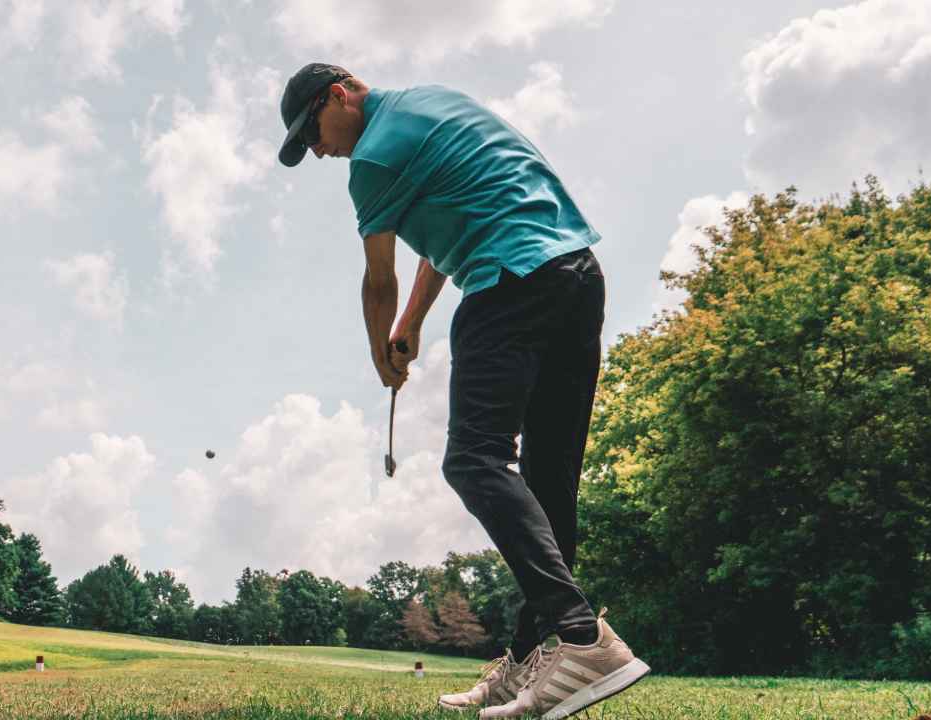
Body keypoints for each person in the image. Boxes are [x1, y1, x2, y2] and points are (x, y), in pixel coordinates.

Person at [276, 63, 650, 719]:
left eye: (313, 133)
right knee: (548, 484)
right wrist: (412, 324)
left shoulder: (371, 159)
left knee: (474, 460)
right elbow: (445, 237)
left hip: (509, 283)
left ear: (339, 95)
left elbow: (379, 279)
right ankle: (528, 663)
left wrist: (380, 354)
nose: (319, 150)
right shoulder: (433, 102)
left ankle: (583, 638)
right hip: (575, 277)